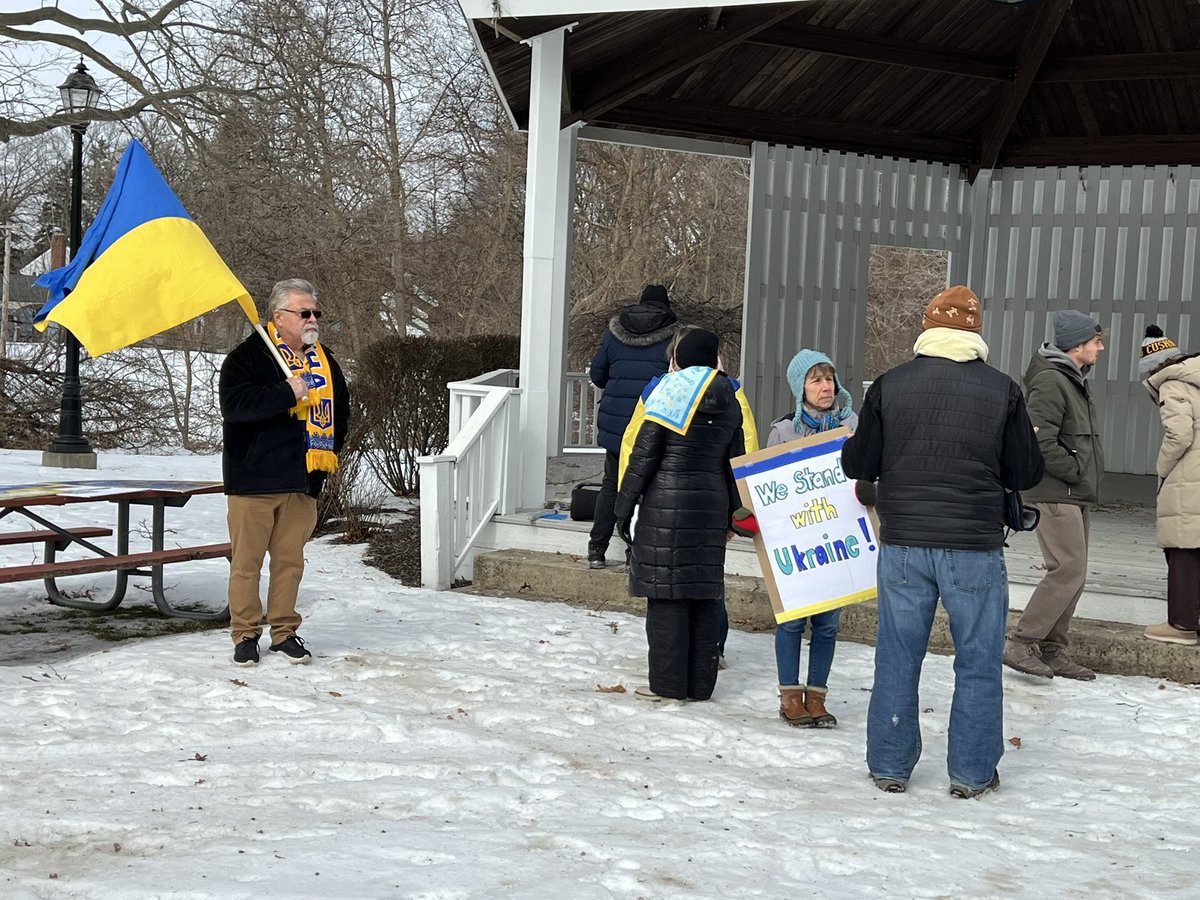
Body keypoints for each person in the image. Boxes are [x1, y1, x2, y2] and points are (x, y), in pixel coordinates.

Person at [842, 285, 1044, 798]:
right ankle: (972, 774)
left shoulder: (889, 385)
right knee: (977, 661)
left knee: (896, 656)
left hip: (904, 541)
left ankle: (889, 765)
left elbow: (859, 465)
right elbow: (1024, 470)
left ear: (926, 330)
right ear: (975, 332)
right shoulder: (1003, 391)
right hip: (973, 545)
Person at [220, 278, 351, 666]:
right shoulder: (250, 357)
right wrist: (285, 393)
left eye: (316, 313)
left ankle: (284, 632)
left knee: (290, 563)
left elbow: (340, 412)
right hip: (254, 480)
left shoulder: (324, 360)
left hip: (302, 480)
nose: (312, 319)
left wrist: (322, 464)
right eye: (304, 312)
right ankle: (245, 634)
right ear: (279, 316)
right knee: (247, 563)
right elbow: (235, 406)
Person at [614, 328, 748, 702]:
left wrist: (622, 509)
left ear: (681, 357)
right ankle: (700, 685)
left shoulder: (669, 393)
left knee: (667, 596)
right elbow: (733, 461)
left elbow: (644, 457)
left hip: (665, 508)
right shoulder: (731, 399)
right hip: (711, 505)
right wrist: (734, 514)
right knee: (704, 594)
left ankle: (668, 685)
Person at [1003, 310, 1105, 680]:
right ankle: (1022, 640)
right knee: (1067, 570)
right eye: (1096, 341)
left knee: (1074, 573)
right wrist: (1076, 471)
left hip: (1073, 492)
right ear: (1077, 344)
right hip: (1054, 491)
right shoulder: (1050, 380)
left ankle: (1052, 649)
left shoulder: (1072, 378)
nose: (1100, 346)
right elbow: (1039, 440)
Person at [765, 349, 858, 728]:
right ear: (799, 387)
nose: (825, 386)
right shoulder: (784, 430)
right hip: (796, 542)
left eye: (829, 378)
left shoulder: (851, 424)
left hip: (837, 541)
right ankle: (790, 696)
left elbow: (864, 472)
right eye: (816, 379)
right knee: (791, 621)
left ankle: (816, 697)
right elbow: (767, 486)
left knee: (828, 623)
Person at [586, 284, 679, 570]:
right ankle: (633, 551)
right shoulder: (675, 337)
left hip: (616, 424)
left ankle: (596, 550)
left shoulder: (613, 335)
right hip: (651, 424)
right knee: (646, 487)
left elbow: (599, 375)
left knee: (612, 484)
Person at [1137, 326, 1200, 646]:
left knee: (1183, 549)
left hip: (1189, 479)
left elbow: (1179, 434)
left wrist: (1162, 470)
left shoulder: (1174, 384)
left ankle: (1182, 624)